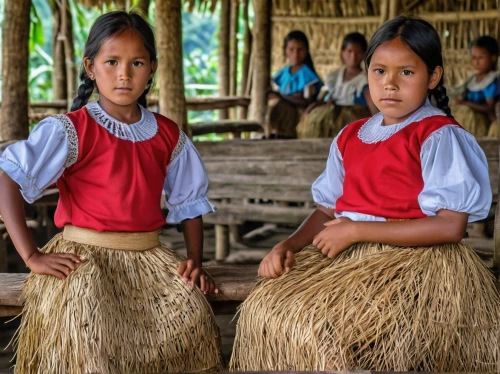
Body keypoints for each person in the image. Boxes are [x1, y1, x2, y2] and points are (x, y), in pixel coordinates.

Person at [230, 15, 499, 372]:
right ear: (366, 72)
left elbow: (450, 227)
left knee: (344, 334)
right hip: (350, 259)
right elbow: (327, 210)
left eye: (406, 72)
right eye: (379, 71)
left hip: (413, 267)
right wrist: (288, 245)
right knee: (268, 307)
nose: (390, 84)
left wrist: (356, 230)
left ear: (433, 77)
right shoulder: (350, 135)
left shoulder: (437, 135)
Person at [0, 11, 222, 373]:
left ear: (152, 68)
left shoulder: (168, 135)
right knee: (88, 344)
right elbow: (7, 177)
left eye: (136, 62)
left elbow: (188, 202)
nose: (124, 74)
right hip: (85, 263)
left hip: (150, 259)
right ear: (90, 67)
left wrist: (195, 260)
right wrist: (31, 256)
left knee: (190, 322)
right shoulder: (71, 130)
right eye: (112, 62)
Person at [297, 32, 377, 138]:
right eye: (349, 51)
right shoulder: (335, 76)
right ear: (342, 52)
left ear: (364, 54)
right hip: (332, 118)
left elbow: (373, 108)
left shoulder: (365, 79)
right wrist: (318, 104)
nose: (353, 56)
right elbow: (326, 95)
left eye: (358, 52)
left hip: (352, 121)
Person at [266, 30, 323, 138]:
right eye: (291, 49)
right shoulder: (283, 73)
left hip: (297, 115)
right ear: (285, 50)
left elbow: (306, 101)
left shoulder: (307, 75)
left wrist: (281, 97)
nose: (295, 54)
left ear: (306, 51)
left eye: (300, 50)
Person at [451, 35, 499, 137]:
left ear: (493, 58)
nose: (476, 62)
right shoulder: (473, 80)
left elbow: (490, 108)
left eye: (481, 57)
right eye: (473, 58)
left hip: (481, 125)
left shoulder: (492, 81)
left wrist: (466, 103)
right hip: (468, 123)